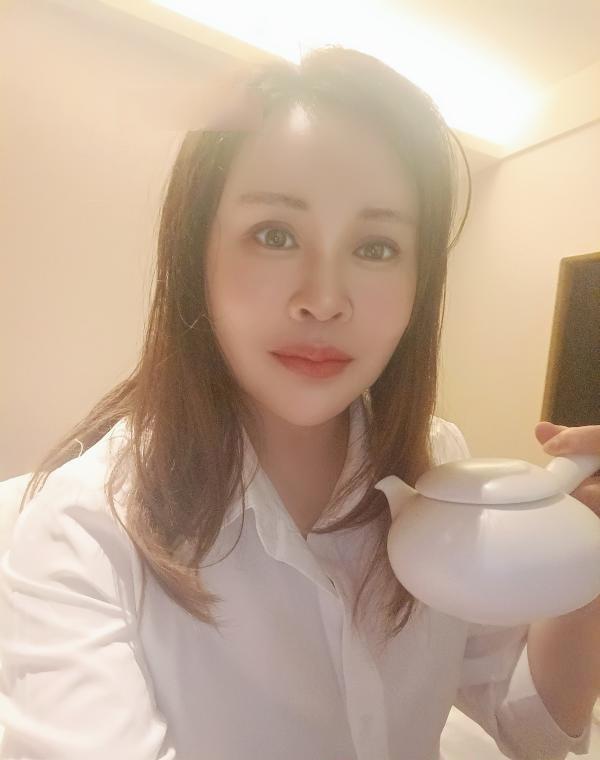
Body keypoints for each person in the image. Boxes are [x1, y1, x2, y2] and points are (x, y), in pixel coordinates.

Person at [0, 46, 596, 760]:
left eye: (376, 247)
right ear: (195, 256)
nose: (324, 299)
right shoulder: (82, 528)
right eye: (275, 235)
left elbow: (527, 731)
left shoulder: (438, 465)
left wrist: (588, 562)